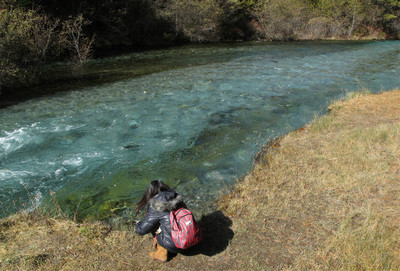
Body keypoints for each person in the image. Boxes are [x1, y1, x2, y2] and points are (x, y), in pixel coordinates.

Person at [135, 180, 186, 262]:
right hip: (191, 236)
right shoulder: (176, 197)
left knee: (154, 224)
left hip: (177, 245)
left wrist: (138, 224)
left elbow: (142, 230)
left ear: (150, 193)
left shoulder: (156, 205)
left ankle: (162, 252)